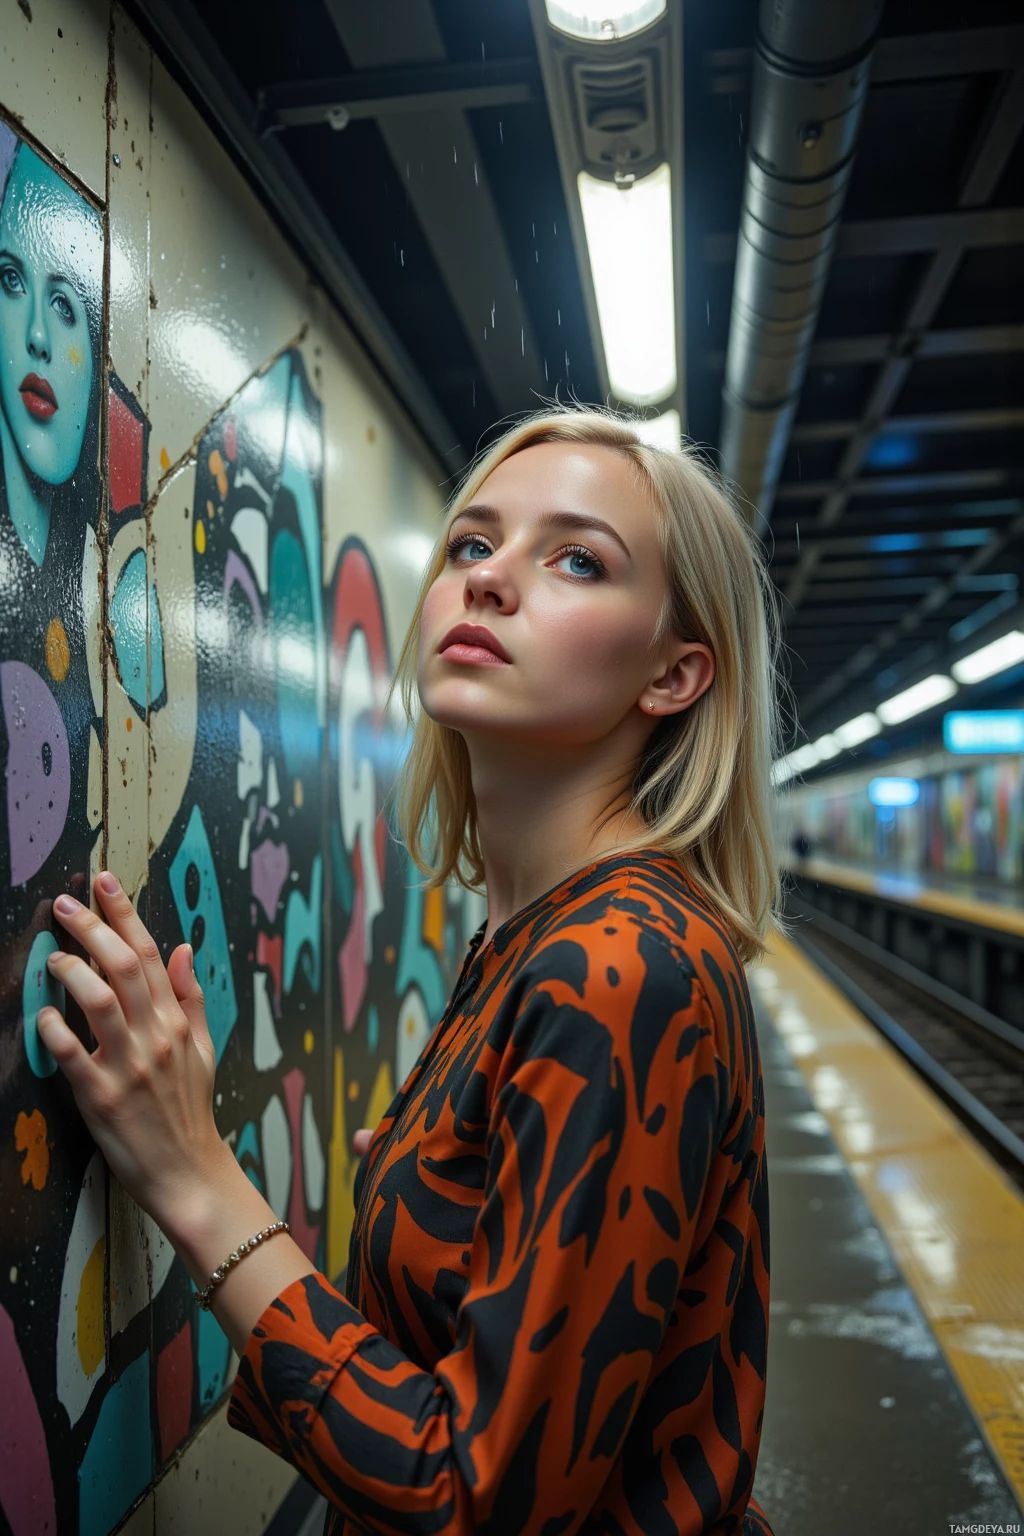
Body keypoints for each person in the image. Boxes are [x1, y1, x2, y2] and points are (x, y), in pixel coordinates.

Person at [38, 408, 779, 1535]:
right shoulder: (533, 936)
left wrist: (196, 1175)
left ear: (674, 675)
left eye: (576, 559)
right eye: (472, 545)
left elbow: (476, 1499)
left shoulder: (621, 965)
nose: (489, 580)